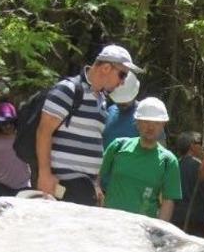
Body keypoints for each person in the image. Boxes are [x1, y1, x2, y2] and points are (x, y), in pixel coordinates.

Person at [36, 45, 142, 205]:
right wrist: (44, 174)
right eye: (122, 75)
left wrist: (95, 184)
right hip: (64, 183)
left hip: (85, 185)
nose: (122, 82)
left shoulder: (102, 99)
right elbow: (44, 132)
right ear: (106, 68)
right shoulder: (69, 89)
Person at [98, 97, 182, 220]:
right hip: (110, 222)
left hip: (142, 230)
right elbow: (96, 176)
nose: (151, 127)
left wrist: (158, 232)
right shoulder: (118, 146)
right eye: (146, 122)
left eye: (156, 123)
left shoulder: (169, 161)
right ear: (137, 122)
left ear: (163, 125)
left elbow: (168, 201)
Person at [172, 132, 204, 236]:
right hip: (198, 219)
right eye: (199, 143)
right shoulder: (201, 167)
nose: (202, 146)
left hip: (176, 217)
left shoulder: (174, 165)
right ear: (192, 146)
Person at [102, 72, 141, 149]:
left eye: (125, 99)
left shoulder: (146, 114)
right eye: (119, 99)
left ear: (135, 94)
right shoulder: (109, 111)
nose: (122, 102)